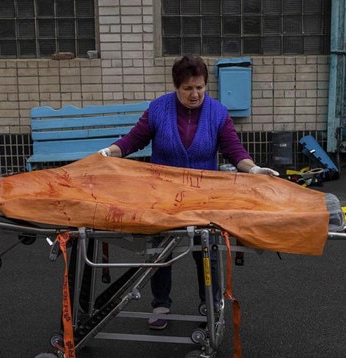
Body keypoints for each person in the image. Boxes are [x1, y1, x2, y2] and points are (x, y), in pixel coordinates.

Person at [97, 54, 278, 330]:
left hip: (204, 195)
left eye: (200, 88)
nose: (195, 94)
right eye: (188, 88)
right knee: (160, 249)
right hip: (163, 195)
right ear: (176, 87)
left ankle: (210, 301)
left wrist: (253, 170)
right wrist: (109, 152)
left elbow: (234, 150)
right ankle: (160, 303)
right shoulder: (158, 109)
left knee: (206, 250)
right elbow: (134, 139)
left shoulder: (218, 113)